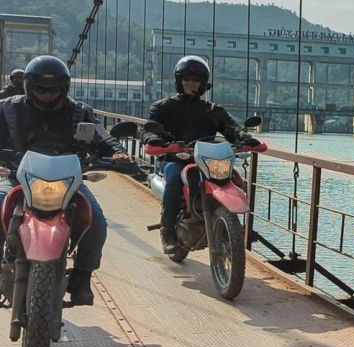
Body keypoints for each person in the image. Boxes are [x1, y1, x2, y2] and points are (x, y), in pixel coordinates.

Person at [0, 55, 132, 306]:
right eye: (40, 89)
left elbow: (102, 136)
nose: (47, 95)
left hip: (67, 182)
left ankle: (82, 277)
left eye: (54, 90)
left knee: (96, 220)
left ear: (64, 88)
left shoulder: (80, 112)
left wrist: (118, 153)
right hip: (18, 177)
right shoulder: (7, 109)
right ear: (29, 86)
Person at [141, 55, 260, 254]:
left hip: (207, 160)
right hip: (174, 158)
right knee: (175, 178)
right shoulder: (162, 107)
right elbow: (150, 129)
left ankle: (235, 225)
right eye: (187, 78)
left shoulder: (213, 110)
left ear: (204, 83)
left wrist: (244, 137)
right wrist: (153, 139)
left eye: (196, 79)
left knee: (235, 178)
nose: (191, 83)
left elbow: (231, 127)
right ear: (179, 81)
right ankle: (167, 229)